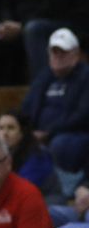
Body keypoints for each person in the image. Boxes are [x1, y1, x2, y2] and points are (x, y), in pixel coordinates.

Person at [20, 28, 89, 200]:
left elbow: (83, 114)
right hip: (40, 134)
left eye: (63, 52)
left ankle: (68, 190)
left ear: (76, 54)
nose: (58, 57)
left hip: (74, 134)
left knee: (60, 144)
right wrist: (25, 129)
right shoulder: (44, 77)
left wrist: (49, 133)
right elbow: (26, 107)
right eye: (54, 52)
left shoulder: (85, 76)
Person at [0, 110, 60, 202]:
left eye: (11, 128)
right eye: (0, 128)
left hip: (47, 204)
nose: (4, 133)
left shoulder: (38, 155)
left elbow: (24, 189)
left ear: (23, 131)